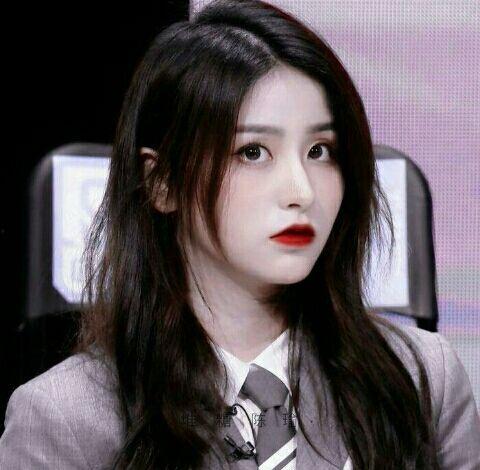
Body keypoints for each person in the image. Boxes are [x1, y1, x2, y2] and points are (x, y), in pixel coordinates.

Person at [1, 0, 479, 468]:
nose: (301, 191)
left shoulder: (423, 380)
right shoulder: (65, 418)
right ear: (162, 182)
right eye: (252, 152)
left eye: (320, 150)